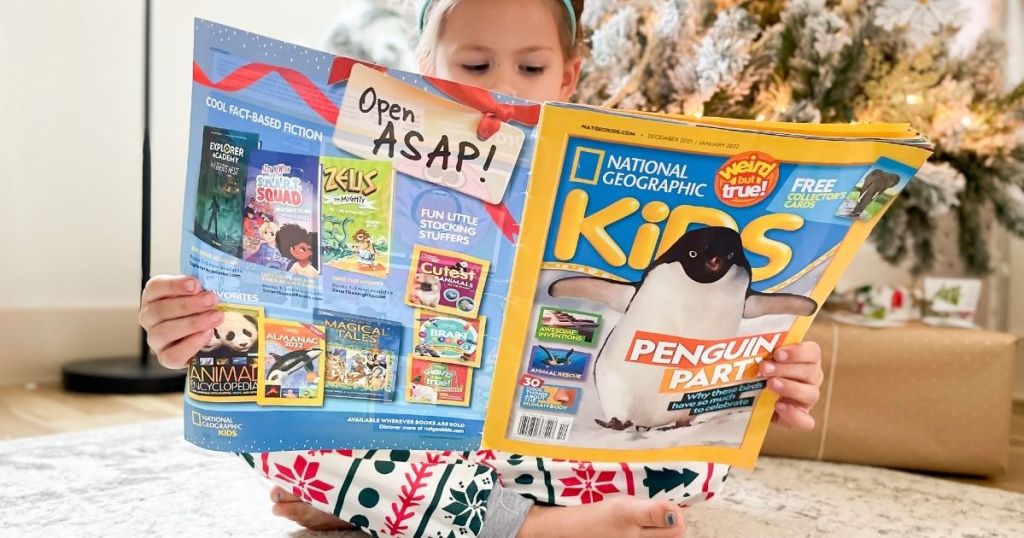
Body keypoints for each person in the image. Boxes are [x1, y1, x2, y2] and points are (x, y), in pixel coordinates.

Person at [139, 1, 823, 536]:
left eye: (530, 69)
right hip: (412, 434)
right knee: (267, 425)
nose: (502, 89)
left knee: (690, 468)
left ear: (570, 72)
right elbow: (284, 315)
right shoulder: (366, 149)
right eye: (473, 65)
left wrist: (762, 374)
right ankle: (524, 527)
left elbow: (683, 345)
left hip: (549, 450)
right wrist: (191, 325)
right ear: (422, 58)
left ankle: (402, 514)